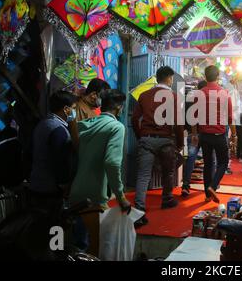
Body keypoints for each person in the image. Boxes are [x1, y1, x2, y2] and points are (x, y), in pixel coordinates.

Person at [69, 89, 131, 255]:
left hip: (75, 192)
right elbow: (112, 162)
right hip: (94, 197)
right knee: (94, 251)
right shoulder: (116, 127)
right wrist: (121, 196)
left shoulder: (86, 124)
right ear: (118, 107)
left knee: (77, 247)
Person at [132, 66, 184, 224]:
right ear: (169, 78)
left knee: (143, 176)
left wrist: (140, 136)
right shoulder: (173, 97)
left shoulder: (144, 95)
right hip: (166, 140)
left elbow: (134, 119)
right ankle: (167, 199)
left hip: (146, 139)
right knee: (168, 172)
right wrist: (180, 143)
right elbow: (178, 122)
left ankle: (139, 209)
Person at [192, 65, 236, 203]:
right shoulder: (224, 94)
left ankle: (207, 194)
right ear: (218, 77)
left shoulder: (199, 94)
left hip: (204, 135)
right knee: (223, 162)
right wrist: (234, 135)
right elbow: (230, 117)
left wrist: (194, 134)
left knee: (208, 164)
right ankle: (212, 186)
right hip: (219, 135)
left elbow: (194, 116)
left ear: (205, 77)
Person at [29, 91, 78, 211]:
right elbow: (60, 161)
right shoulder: (58, 129)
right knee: (53, 225)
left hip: (37, 182)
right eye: (73, 108)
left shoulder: (44, 123)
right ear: (66, 109)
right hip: (50, 188)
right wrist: (64, 184)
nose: (74, 112)